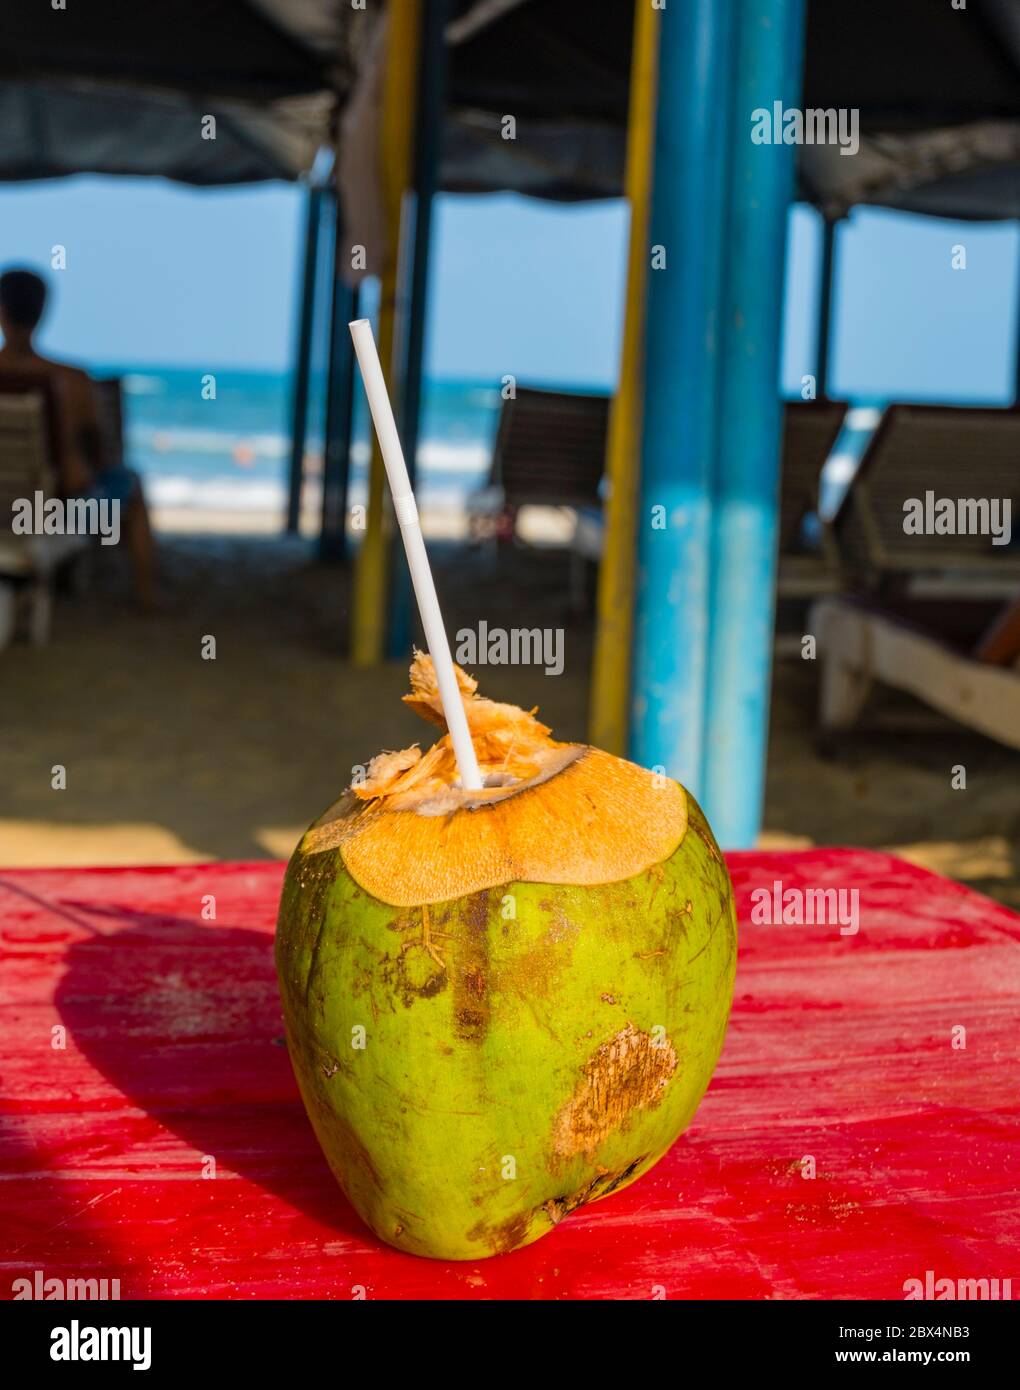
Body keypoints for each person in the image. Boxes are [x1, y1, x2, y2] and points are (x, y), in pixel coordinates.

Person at [0, 267, 159, 609]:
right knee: (129, 484)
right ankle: (146, 596)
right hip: (51, 512)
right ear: (43, 312)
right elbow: (99, 457)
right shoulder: (73, 380)